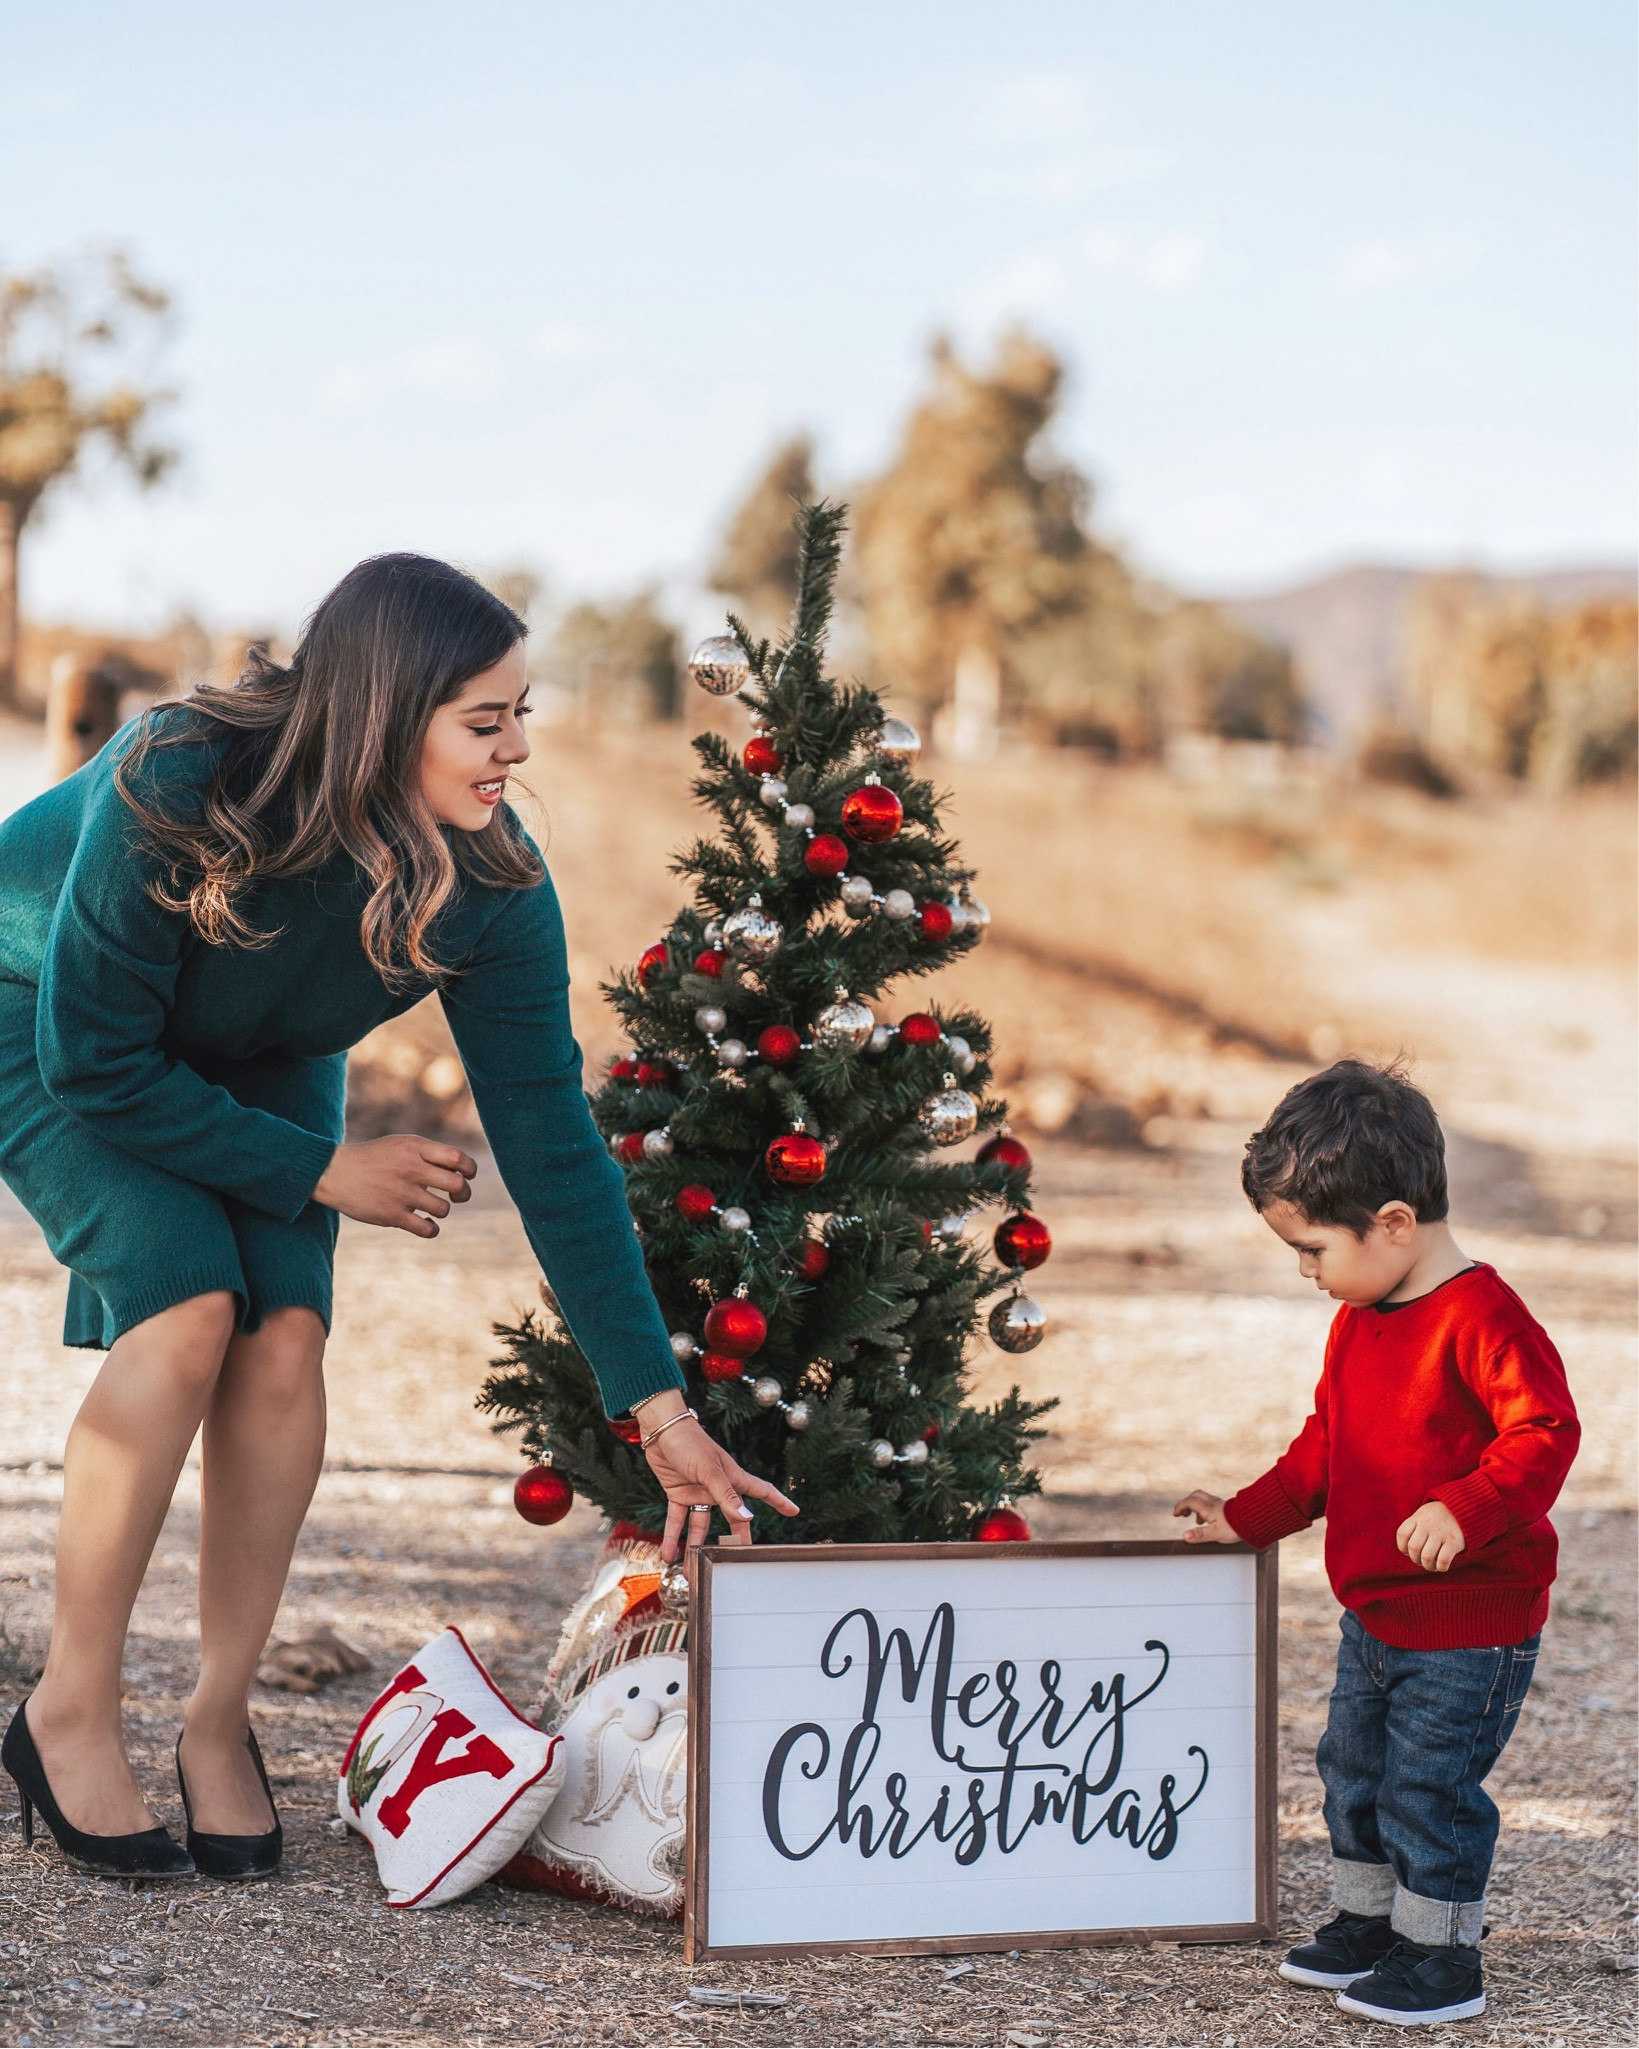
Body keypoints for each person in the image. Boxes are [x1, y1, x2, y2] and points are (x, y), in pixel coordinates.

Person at [0, 553, 796, 1883]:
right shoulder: (180, 775)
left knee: (285, 1336)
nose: (517, 749)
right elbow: (95, 1060)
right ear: (380, 715)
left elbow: (554, 1147)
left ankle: (216, 1714)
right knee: (189, 1300)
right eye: (486, 722)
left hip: (254, 1051)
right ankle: (66, 1706)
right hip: (45, 1020)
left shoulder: (491, 883)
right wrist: (323, 1173)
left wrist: (657, 1408)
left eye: (521, 714)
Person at [1174, 1060, 1578, 2029]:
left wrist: (1467, 1504)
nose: (1305, 1273)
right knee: (1352, 1772)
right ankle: (1368, 1923)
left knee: (1425, 1787)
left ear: (1393, 1223)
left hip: (1468, 1624)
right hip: (1376, 1613)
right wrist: (1241, 1516)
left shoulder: (1485, 1319)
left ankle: (1441, 1954)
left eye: (1311, 1249)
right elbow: (1325, 1447)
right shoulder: (1360, 1322)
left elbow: (1544, 1434)